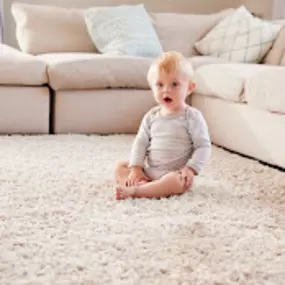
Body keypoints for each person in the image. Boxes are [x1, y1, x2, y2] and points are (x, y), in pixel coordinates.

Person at [114, 51, 211, 200]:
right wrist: (136, 168)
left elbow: (203, 146)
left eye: (174, 84)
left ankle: (137, 191)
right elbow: (140, 142)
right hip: (149, 172)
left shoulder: (192, 117)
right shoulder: (151, 116)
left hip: (174, 174)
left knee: (176, 182)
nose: (166, 90)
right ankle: (146, 186)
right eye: (160, 85)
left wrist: (190, 169)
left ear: (190, 87)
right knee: (120, 167)